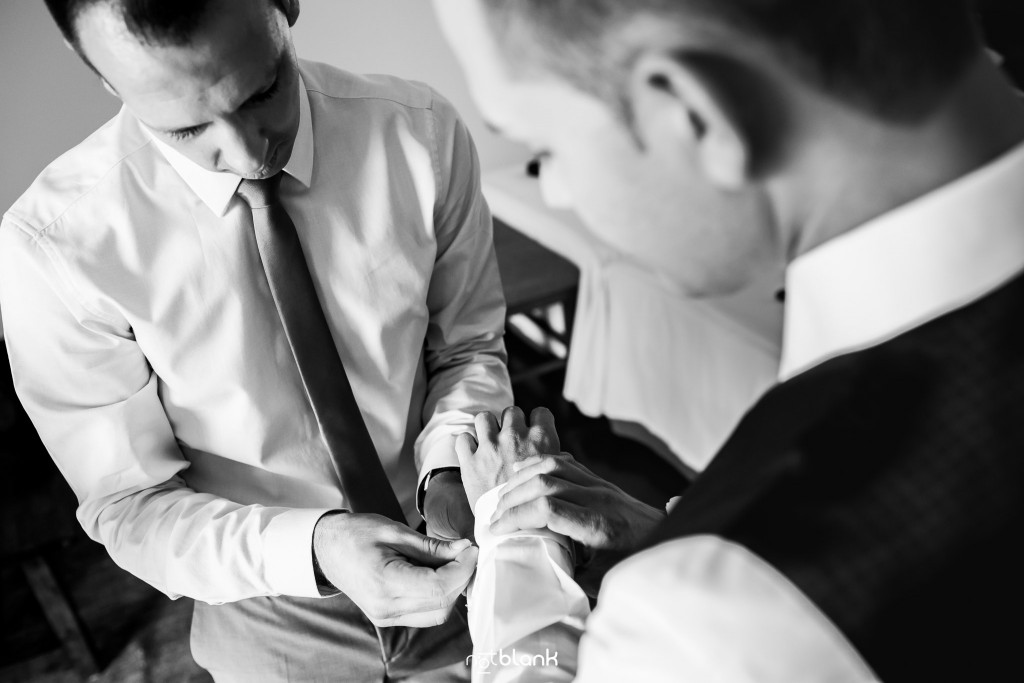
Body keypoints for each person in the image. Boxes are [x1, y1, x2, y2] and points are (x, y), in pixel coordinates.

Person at [434, 0, 1024, 680]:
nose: (558, 190)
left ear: (690, 113)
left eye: (546, 149)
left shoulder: (702, 621)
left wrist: (516, 536)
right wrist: (675, 533)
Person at [0, 0, 514, 680]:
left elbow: (466, 348)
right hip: (268, 609)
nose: (247, 151)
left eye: (264, 91)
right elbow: (130, 506)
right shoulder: (55, 250)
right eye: (185, 129)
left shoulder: (420, 135)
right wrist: (318, 547)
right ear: (102, 74)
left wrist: (451, 472)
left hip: (473, 560)